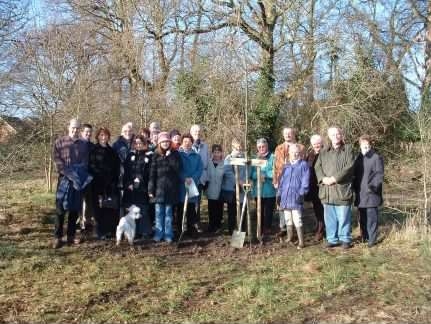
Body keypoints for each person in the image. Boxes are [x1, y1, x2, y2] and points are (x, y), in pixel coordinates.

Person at [315, 126, 356, 249]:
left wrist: (334, 178)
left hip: (342, 190)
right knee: (329, 217)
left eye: (338, 134)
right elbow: (317, 167)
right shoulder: (323, 151)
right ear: (329, 136)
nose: (335, 136)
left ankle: (345, 239)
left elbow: (350, 166)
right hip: (327, 191)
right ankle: (332, 239)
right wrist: (323, 178)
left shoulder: (348, 149)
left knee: (343, 216)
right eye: (333, 135)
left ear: (341, 134)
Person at [53, 118, 92, 248]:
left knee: (74, 208)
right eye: (73, 127)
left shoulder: (83, 144)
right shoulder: (59, 142)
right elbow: (57, 161)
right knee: (60, 208)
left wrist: (77, 174)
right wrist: (69, 173)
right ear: (68, 126)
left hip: (78, 179)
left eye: (77, 128)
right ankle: (57, 237)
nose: (75, 130)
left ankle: (71, 236)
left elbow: (85, 162)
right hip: (64, 179)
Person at [148, 132, 182, 243]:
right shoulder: (155, 155)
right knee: (158, 213)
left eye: (167, 141)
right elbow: (152, 173)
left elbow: (177, 169)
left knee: (168, 213)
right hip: (158, 190)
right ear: (159, 143)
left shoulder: (175, 154)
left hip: (171, 189)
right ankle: (158, 233)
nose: (165, 143)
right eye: (163, 141)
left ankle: (168, 234)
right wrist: (150, 189)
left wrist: (169, 157)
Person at [89, 127, 121, 240]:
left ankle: (109, 230)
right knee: (98, 208)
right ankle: (99, 231)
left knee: (110, 208)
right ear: (98, 137)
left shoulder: (112, 151)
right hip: (97, 185)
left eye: (105, 135)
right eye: (101, 135)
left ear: (108, 137)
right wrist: (101, 175)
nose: (103, 137)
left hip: (111, 185)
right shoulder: (93, 150)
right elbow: (91, 166)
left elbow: (117, 167)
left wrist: (113, 180)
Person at [273, 127, 306, 238]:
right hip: (282, 181)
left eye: (289, 133)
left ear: (293, 134)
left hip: (295, 184)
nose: (287, 135)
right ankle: (284, 228)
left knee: (296, 209)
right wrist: (275, 180)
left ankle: (298, 232)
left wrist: (302, 189)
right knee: (282, 206)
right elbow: (275, 165)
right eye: (285, 134)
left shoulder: (300, 147)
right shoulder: (278, 148)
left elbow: (303, 168)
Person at [353, 134, 384, 248]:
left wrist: (372, 187)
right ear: (360, 145)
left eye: (367, 145)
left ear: (370, 145)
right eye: (363, 145)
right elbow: (355, 175)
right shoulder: (358, 158)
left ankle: (372, 239)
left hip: (371, 194)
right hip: (360, 193)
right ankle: (364, 236)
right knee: (363, 217)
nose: (365, 148)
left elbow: (379, 175)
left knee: (372, 217)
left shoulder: (376, 157)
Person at [277, 144, 310, 249]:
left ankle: (301, 241)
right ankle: (289, 237)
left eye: (297, 152)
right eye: (292, 152)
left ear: (299, 153)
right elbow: (282, 182)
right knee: (288, 218)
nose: (295, 154)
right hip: (285, 197)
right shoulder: (286, 166)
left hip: (296, 196)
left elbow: (305, 181)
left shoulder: (303, 165)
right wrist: (279, 194)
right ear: (289, 153)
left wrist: (302, 193)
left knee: (297, 219)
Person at [123, 135, 153, 239]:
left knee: (143, 210)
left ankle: (144, 231)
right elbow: (126, 172)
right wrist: (128, 183)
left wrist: (141, 181)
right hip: (130, 188)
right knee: (130, 210)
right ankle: (131, 231)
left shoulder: (149, 156)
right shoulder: (130, 155)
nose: (138, 145)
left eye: (140, 143)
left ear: (144, 144)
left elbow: (150, 173)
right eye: (136, 143)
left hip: (143, 188)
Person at [250, 138, 276, 236]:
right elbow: (251, 173)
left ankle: (268, 228)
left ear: (267, 146)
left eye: (263, 146)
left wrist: (265, 174)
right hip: (258, 190)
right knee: (259, 210)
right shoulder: (255, 158)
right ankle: (260, 228)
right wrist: (258, 175)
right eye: (259, 147)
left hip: (270, 190)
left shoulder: (273, 157)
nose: (261, 148)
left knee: (269, 210)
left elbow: (275, 171)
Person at [179, 133, 203, 235]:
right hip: (181, 185)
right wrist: (184, 177)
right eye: (185, 141)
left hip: (192, 184)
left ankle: (191, 228)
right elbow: (177, 168)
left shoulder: (197, 156)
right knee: (180, 208)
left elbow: (200, 169)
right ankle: (180, 229)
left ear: (192, 143)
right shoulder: (178, 155)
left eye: (189, 142)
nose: (187, 143)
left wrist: (192, 178)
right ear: (182, 142)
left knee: (191, 208)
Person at [222, 138, 246, 234]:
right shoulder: (229, 158)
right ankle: (231, 230)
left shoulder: (245, 157)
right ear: (233, 146)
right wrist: (237, 181)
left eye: (240, 146)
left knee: (243, 208)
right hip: (232, 188)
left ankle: (243, 230)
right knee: (232, 210)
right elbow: (227, 172)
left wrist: (245, 181)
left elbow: (248, 170)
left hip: (243, 187)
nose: (239, 147)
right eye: (237, 146)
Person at [305, 134, 325, 241]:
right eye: (314, 144)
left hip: (323, 186)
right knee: (317, 208)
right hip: (313, 186)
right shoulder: (310, 155)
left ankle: (321, 231)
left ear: (322, 143)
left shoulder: (326, 153)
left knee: (323, 209)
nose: (316, 145)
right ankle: (319, 225)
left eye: (318, 143)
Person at [190, 124, 209, 233]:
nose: (197, 133)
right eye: (195, 132)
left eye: (198, 131)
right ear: (191, 132)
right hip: (191, 178)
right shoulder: (188, 145)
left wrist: (207, 178)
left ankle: (196, 223)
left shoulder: (204, 146)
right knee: (192, 201)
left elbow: (207, 162)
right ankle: (191, 223)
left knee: (198, 201)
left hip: (202, 177)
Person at [79, 123, 95, 239]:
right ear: (82, 132)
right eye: (86, 132)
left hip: (90, 178)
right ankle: (80, 224)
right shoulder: (77, 145)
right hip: (79, 177)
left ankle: (88, 223)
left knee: (89, 202)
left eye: (90, 132)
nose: (88, 134)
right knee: (79, 203)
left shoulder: (92, 146)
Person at [206, 144, 225, 233]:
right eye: (215, 152)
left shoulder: (224, 164)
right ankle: (211, 225)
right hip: (210, 188)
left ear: (221, 153)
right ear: (212, 153)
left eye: (218, 152)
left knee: (219, 208)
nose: (217, 154)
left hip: (220, 189)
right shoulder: (209, 163)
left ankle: (218, 225)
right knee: (211, 207)